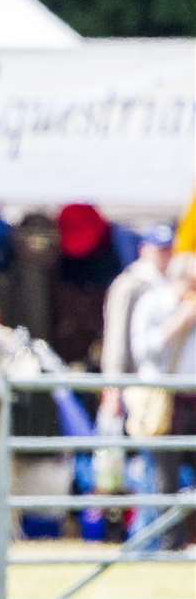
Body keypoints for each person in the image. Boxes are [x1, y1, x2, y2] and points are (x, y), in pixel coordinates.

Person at [128, 252, 196, 544]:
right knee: (163, 476)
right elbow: (143, 351)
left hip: (192, 395)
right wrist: (177, 324)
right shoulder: (153, 303)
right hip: (165, 398)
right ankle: (169, 543)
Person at [99, 224, 174, 423]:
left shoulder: (170, 284)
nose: (164, 255)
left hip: (161, 379)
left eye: (168, 249)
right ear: (143, 249)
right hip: (134, 379)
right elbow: (116, 337)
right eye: (160, 249)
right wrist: (113, 386)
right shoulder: (129, 284)